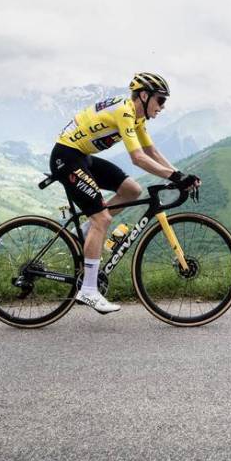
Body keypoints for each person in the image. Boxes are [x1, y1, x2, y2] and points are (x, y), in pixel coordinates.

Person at [50, 72, 200, 314]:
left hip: (81, 157)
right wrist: (173, 177)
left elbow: (150, 150)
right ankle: (88, 289)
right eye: (160, 100)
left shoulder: (137, 117)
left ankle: (88, 232)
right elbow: (138, 158)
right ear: (144, 95)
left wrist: (180, 174)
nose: (162, 107)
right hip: (66, 157)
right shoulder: (125, 111)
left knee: (132, 189)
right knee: (103, 218)